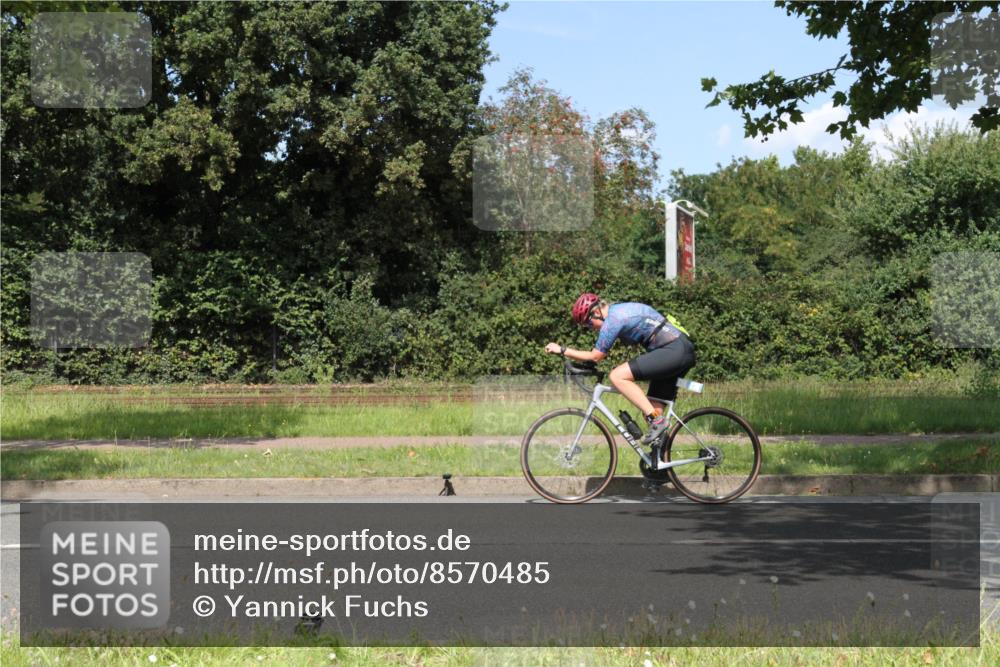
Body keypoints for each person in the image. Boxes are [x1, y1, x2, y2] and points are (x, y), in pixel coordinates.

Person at [544, 292, 696, 444]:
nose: (591, 329)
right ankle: (660, 464)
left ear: (596, 312)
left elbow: (595, 356)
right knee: (650, 410)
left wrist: (562, 350)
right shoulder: (617, 311)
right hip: (677, 350)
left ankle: (657, 421)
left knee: (617, 376)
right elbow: (596, 356)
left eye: (589, 324)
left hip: (674, 350)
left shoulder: (614, 319)